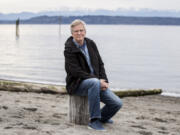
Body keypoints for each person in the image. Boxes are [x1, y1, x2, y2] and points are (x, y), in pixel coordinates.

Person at [64, 19, 123, 131]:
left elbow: (100, 63)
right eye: (76, 31)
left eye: (81, 30)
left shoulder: (91, 43)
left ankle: (102, 118)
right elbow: (74, 71)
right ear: (72, 34)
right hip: (77, 84)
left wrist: (104, 80)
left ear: (85, 32)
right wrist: (97, 80)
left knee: (117, 103)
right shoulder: (69, 49)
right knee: (94, 83)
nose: (79, 33)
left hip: (95, 82)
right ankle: (94, 121)